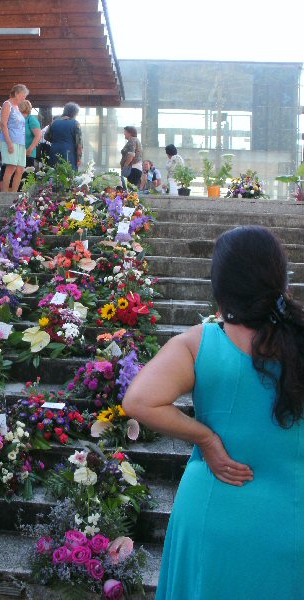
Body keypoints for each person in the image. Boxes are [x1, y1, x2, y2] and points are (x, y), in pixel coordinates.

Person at [123, 225, 304, 600]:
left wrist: (206, 438)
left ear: (220, 284)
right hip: (291, 519)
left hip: (213, 512)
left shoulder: (199, 342)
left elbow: (138, 401)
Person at [0, 84, 29, 192]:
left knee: (20, 169)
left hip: (20, 142)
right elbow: (3, 124)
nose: (24, 98)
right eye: (23, 95)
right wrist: (9, 143)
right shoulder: (7, 104)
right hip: (10, 140)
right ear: (16, 94)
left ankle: (14, 194)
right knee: (11, 167)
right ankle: (5, 194)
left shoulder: (17, 107)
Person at [47, 103, 83, 171]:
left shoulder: (54, 122)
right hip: (69, 152)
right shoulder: (75, 124)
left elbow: (46, 136)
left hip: (54, 150)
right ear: (74, 113)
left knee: (54, 173)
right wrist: (79, 159)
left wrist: (56, 141)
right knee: (68, 175)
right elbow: (79, 144)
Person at [19, 99, 42, 168]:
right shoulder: (18, 119)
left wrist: (30, 149)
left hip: (27, 153)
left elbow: (38, 135)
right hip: (17, 152)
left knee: (26, 175)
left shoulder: (31, 119)